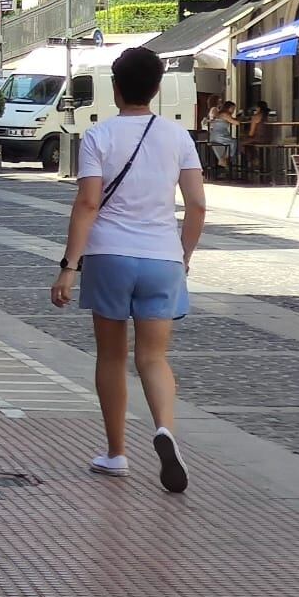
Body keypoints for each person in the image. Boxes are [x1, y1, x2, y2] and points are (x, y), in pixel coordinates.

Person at [50, 45, 208, 493]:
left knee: (112, 356)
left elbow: (87, 203)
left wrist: (68, 266)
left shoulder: (99, 137)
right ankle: (164, 429)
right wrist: (184, 255)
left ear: (115, 88)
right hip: (162, 257)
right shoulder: (178, 138)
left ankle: (116, 452)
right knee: (154, 357)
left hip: (109, 255)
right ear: (157, 89)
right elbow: (196, 205)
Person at [207, 101, 237, 179]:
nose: (233, 110)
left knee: (232, 142)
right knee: (233, 142)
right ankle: (225, 159)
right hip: (219, 136)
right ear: (229, 108)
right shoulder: (225, 114)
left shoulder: (221, 114)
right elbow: (236, 123)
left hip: (215, 135)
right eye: (233, 108)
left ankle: (225, 161)